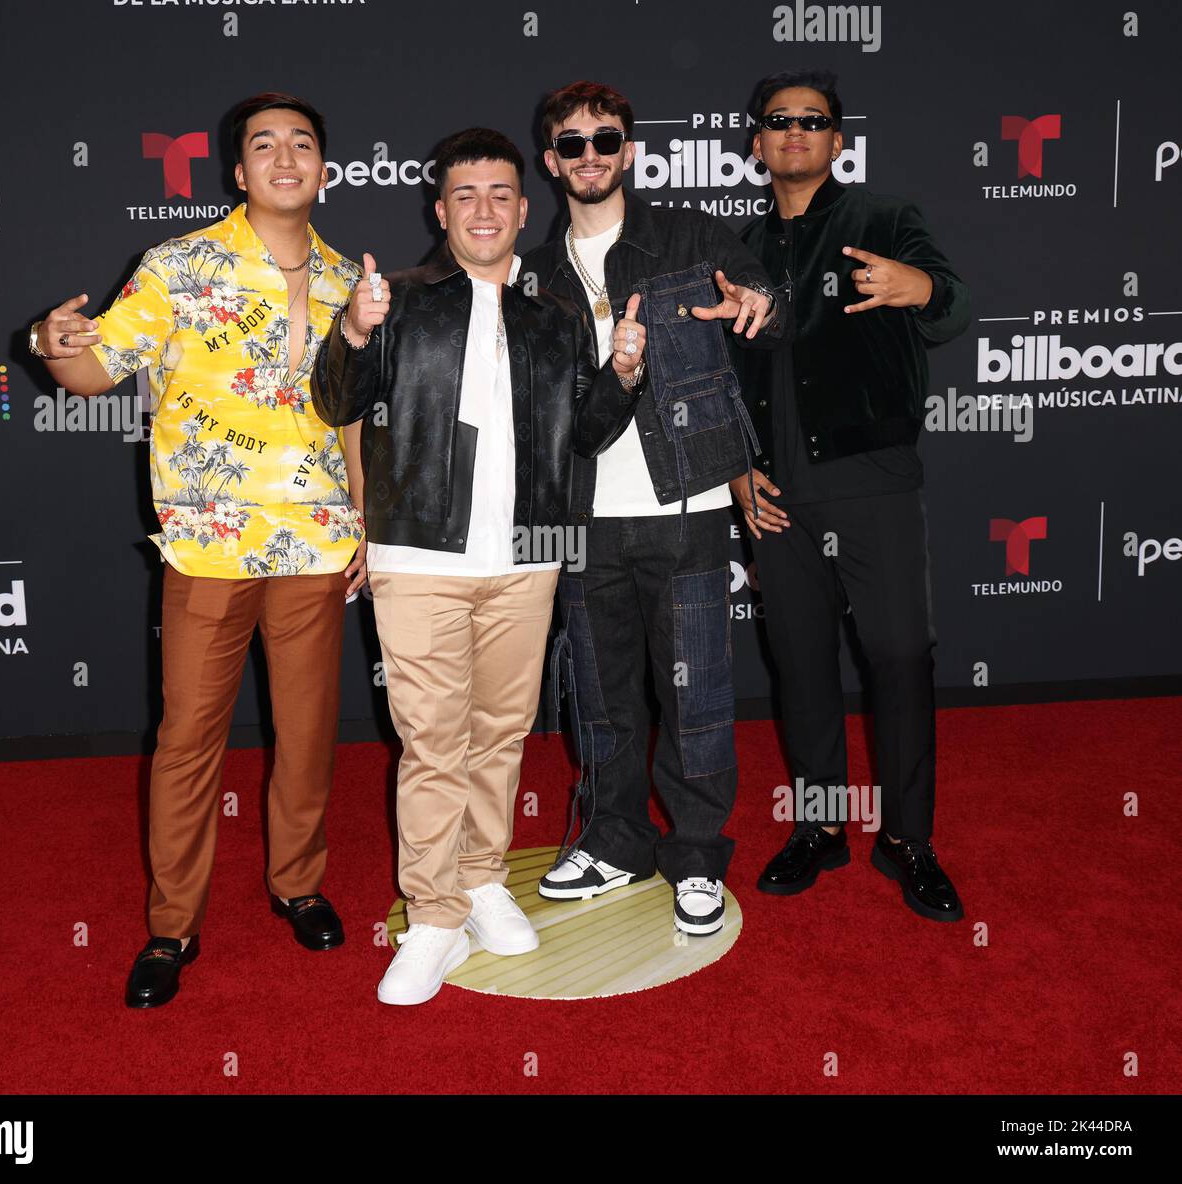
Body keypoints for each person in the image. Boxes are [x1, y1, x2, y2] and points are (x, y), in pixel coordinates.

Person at [28, 92, 367, 1007]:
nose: (285, 157)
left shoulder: (349, 281)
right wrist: (47, 343)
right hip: (208, 551)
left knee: (305, 740)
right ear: (238, 170)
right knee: (187, 744)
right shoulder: (177, 265)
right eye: (265, 144)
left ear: (325, 169)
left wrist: (365, 523)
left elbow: (351, 422)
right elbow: (93, 367)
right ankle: (172, 928)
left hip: (314, 546)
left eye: (303, 141)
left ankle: (297, 884)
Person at [314, 127, 643, 1005]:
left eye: (501, 194)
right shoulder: (400, 300)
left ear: (523, 207)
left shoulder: (554, 319)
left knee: (499, 735)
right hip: (419, 550)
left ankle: (482, 876)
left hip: (529, 554)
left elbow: (588, 433)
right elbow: (334, 399)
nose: (485, 209)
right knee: (432, 744)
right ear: (441, 210)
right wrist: (351, 328)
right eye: (466, 195)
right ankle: (432, 917)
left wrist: (623, 373)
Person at [521, 81, 787, 937]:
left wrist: (758, 303)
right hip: (586, 511)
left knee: (698, 692)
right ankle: (616, 841)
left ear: (629, 150)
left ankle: (700, 853)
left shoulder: (690, 233)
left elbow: (757, 297)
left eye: (606, 140)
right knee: (601, 697)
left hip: (688, 502)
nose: (590, 156)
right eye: (572, 144)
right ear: (551, 158)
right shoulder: (535, 276)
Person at [738, 69, 970, 921]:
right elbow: (721, 374)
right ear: (757, 143)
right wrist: (736, 470)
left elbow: (954, 310)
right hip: (774, 489)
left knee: (902, 654)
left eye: (814, 120)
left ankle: (908, 839)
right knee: (800, 663)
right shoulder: (741, 248)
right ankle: (823, 828)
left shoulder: (887, 221)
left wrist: (926, 291)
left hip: (871, 478)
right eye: (778, 120)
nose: (795, 131)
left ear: (838, 141)